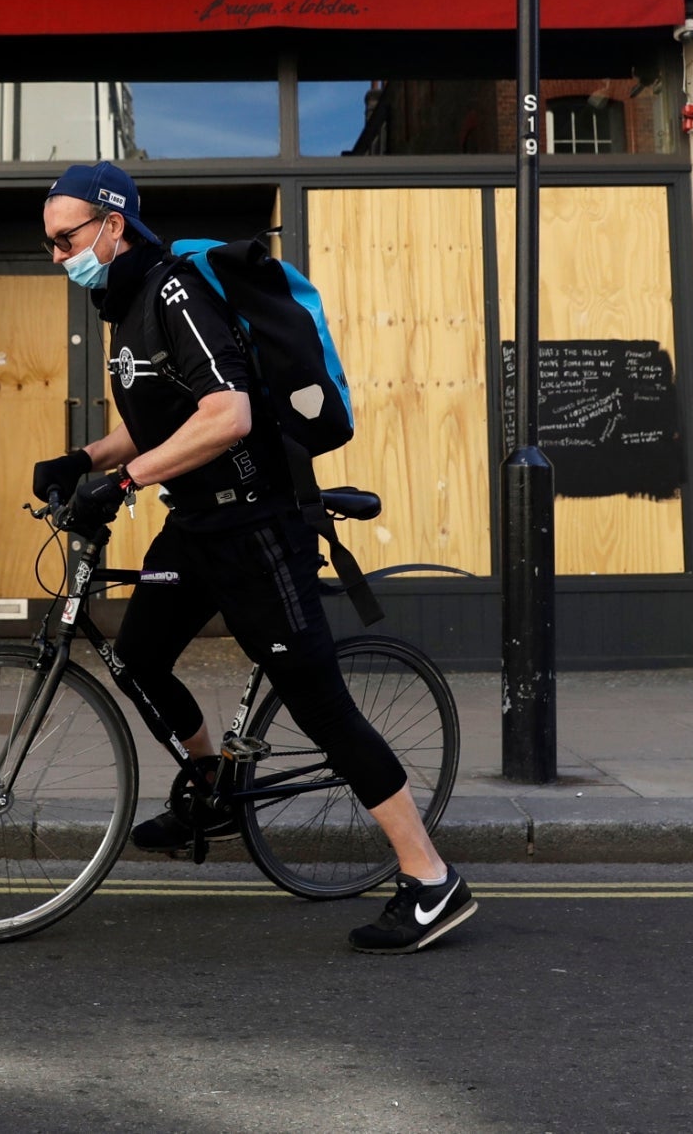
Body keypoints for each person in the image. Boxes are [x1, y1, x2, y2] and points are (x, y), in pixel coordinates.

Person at [31, 162, 475, 956]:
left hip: (258, 528)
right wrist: (86, 458)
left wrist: (125, 480)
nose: (60, 256)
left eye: (66, 239)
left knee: (320, 706)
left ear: (112, 223)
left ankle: (431, 879)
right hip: (198, 526)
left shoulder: (173, 292)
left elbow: (227, 413)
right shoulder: (126, 306)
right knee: (138, 657)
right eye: (52, 245)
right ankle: (210, 790)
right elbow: (166, 418)